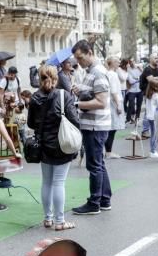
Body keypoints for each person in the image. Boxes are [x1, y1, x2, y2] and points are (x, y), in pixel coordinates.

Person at [28, 65, 81, 231]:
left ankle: (48, 218)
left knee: (47, 182)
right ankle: (60, 221)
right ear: (56, 78)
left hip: (43, 145)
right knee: (59, 182)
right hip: (61, 145)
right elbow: (75, 120)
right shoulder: (63, 95)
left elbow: (30, 123)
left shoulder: (35, 97)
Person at [70, 40, 113, 215]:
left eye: (80, 58)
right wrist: (81, 90)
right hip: (95, 125)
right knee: (99, 164)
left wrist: (77, 104)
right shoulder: (92, 72)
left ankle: (94, 202)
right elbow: (94, 94)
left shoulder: (98, 73)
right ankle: (104, 199)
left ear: (90, 52)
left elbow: (101, 102)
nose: (79, 62)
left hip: (96, 125)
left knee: (94, 165)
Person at [104, 57, 126, 158]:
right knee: (112, 128)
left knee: (111, 128)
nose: (119, 63)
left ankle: (107, 151)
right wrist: (118, 105)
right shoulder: (112, 74)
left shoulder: (109, 73)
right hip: (114, 103)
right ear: (112, 63)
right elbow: (113, 91)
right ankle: (108, 151)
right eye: (117, 62)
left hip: (111, 102)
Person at [140, 77, 158, 158]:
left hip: (149, 116)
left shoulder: (148, 94)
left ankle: (152, 150)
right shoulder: (156, 95)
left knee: (153, 133)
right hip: (154, 116)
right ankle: (153, 150)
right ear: (155, 87)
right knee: (155, 134)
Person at [125, 58, 143, 124]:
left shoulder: (139, 68)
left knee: (139, 105)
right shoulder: (128, 69)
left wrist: (140, 69)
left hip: (140, 89)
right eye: (130, 62)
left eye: (133, 61)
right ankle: (128, 118)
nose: (132, 63)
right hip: (131, 90)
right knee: (131, 104)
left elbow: (143, 76)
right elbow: (131, 81)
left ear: (135, 61)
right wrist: (138, 79)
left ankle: (137, 119)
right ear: (129, 63)